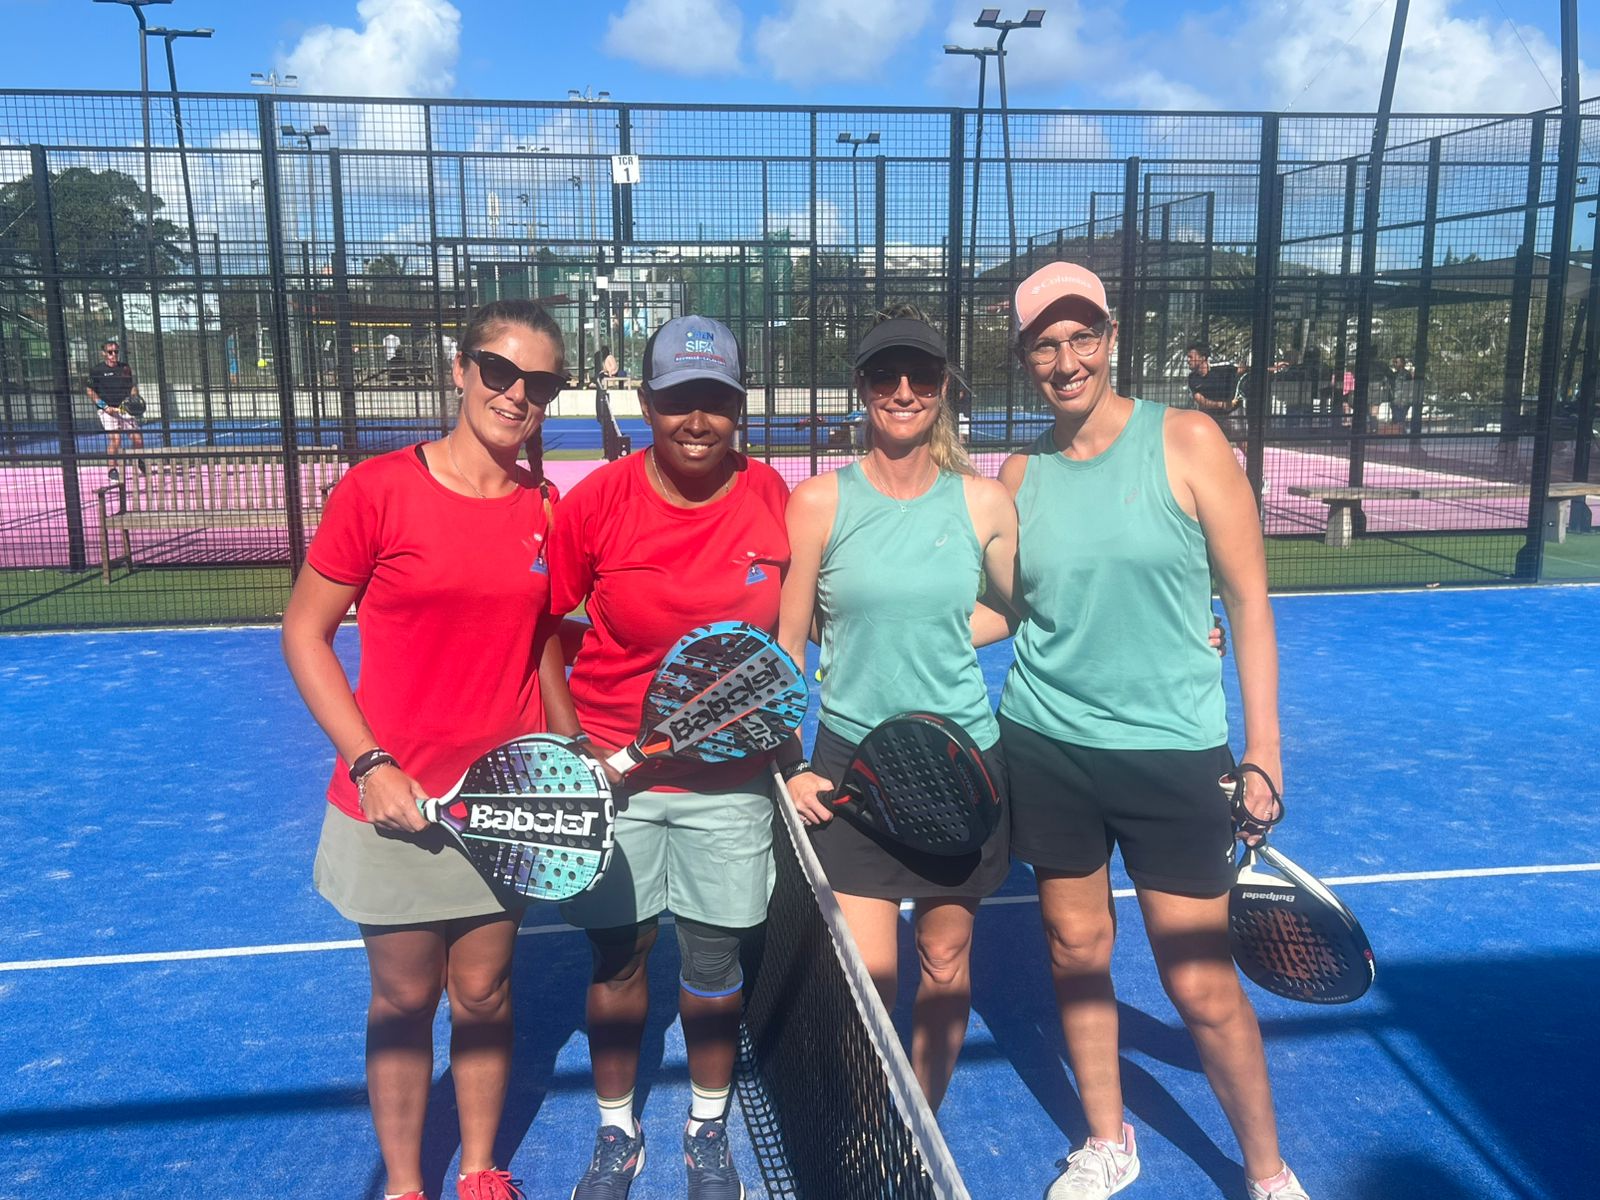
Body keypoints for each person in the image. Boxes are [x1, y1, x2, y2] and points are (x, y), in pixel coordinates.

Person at [990, 263, 1308, 1200]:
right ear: (1025, 358)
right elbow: (1003, 611)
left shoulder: (1190, 439)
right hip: (1046, 743)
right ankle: (1105, 1140)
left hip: (1174, 753)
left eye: (1081, 335)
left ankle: (1268, 1172)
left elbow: (1248, 602)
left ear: (1112, 335)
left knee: (1200, 983)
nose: (1066, 358)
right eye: (1046, 343)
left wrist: (1264, 749)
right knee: (1075, 950)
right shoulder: (1020, 474)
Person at [282, 299, 575, 1200]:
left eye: (542, 384)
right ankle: (407, 1183)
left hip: (504, 802)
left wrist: (567, 758)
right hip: (391, 801)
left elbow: (543, 645)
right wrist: (371, 764)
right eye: (501, 372)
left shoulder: (545, 507)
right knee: (406, 998)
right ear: (461, 369)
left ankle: (481, 1170)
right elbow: (304, 632)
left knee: (484, 993)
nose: (518, 395)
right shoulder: (377, 490)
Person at [547, 315, 790, 1200]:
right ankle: (617, 1135)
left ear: (738, 408)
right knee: (617, 958)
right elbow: (546, 624)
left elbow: (831, 608)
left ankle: (705, 1127)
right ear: (648, 404)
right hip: (618, 776)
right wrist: (573, 739)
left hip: (728, 785)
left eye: (716, 401)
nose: (698, 419)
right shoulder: (600, 501)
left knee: (714, 967)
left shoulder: (774, 497)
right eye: (680, 400)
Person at [777, 310, 1016, 1111]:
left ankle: (922, 1121)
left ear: (943, 387)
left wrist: (1193, 621)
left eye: (920, 376)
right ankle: (875, 1118)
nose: (904, 391)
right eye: (886, 377)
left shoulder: (983, 503)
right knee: (869, 979)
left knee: (946, 964)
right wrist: (791, 766)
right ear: (865, 390)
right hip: (853, 767)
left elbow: (1028, 609)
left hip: (959, 764)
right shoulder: (817, 502)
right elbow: (788, 646)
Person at [87, 340, 145, 483]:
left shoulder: (125, 368)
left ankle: (138, 462)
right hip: (107, 410)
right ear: (104, 354)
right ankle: (112, 470)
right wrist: (104, 407)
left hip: (124, 407)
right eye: (110, 352)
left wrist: (133, 397)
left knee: (138, 439)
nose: (114, 355)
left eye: (116, 352)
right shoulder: (97, 370)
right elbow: (90, 390)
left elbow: (132, 386)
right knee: (116, 439)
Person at [1185, 341, 1246, 462]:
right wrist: (1222, 405)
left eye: (1191, 357)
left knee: (1244, 444)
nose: (1188, 360)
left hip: (1233, 414)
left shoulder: (1223, 370)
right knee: (1206, 448)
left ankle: (1259, 475)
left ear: (1203, 358)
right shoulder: (1192, 379)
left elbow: (1245, 369)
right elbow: (1202, 402)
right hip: (1211, 417)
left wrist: (1274, 367)